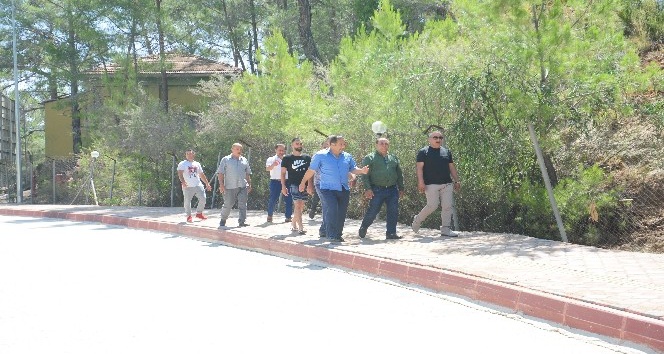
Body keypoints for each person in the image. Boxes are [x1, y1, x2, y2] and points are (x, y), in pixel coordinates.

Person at [299, 135, 369, 242]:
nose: (343, 146)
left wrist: (362, 171)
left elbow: (353, 169)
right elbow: (311, 170)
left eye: (344, 144)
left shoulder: (347, 156)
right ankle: (331, 235)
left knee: (341, 211)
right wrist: (303, 182)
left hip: (343, 187)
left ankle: (335, 234)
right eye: (341, 144)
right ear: (332, 144)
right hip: (325, 188)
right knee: (332, 207)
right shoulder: (320, 155)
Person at [411, 131, 461, 237]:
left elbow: (451, 167)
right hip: (430, 184)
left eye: (440, 137)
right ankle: (418, 219)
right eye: (435, 137)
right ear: (429, 139)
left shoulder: (446, 152)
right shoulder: (423, 152)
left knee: (447, 206)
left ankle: (446, 229)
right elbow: (419, 168)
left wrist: (456, 180)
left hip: (447, 183)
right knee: (432, 206)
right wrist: (421, 182)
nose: (438, 139)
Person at [358, 137, 405, 240]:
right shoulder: (370, 158)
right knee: (373, 211)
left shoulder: (393, 157)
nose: (384, 146)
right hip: (377, 190)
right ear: (376, 145)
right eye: (381, 144)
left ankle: (391, 233)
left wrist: (401, 188)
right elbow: (365, 175)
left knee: (393, 211)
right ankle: (364, 226)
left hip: (392, 189)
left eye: (386, 144)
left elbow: (399, 174)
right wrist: (368, 188)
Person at [281, 138, 313, 234]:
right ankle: (301, 227)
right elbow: (282, 173)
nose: (299, 145)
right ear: (292, 145)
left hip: (305, 184)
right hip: (293, 184)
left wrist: (310, 184)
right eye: (297, 143)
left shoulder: (307, 158)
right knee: (297, 205)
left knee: (301, 206)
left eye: (300, 144)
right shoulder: (287, 158)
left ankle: (294, 222)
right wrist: (283, 186)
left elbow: (310, 172)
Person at [217, 143, 252, 227]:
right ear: (232, 149)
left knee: (243, 204)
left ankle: (242, 222)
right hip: (230, 186)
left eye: (240, 149)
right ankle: (223, 220)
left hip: (243, 186)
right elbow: (220, 173)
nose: (239, 151)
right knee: (228, 204)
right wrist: (221, 185)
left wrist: (249, 184)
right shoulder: (225, 159)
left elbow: (247, 173)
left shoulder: (244, 160)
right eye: (237, 149)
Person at [177, 149, 213, 223]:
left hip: (198, 184)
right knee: (187, 201)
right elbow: (180, 174)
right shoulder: (182, 164)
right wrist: (183, 182)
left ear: (193, 154)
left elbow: (201, 174)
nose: (189, 155)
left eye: (190, 154)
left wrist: (207, 183)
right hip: (187, 186)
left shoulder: (197, 164)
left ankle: (199, 213)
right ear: (185, 155)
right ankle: (189, 216)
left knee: (203, 198)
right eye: (187, 154)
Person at [265, 144, 292, 223]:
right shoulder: (271, 159)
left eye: (283, 150)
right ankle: (270, 215)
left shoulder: (288, 159)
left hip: (287, 181)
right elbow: (267, 168)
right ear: (275, 150)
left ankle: (288, 217)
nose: (281, 152)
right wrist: (273, 164)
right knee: (273, 199)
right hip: (275, 181)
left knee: (289, 199)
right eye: (280, 150)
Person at [307, 138, 330, 222]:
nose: (326, 148)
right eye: (324, 146)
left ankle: (326, 220)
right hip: (319, 182)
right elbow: (311, 170)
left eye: (327, 146)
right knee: (317, 197)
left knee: (327, 202)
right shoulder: (317, 156)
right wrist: (310, 184)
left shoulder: (335, 156)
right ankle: (313, 209)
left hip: (331, 183)